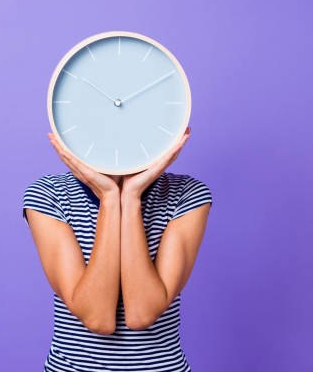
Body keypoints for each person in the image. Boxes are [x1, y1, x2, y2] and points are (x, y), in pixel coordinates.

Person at [22, 126, 212, 372]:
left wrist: (131, 197)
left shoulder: (187, 195)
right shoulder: (49, 195)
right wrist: (110, 200)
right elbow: (97, 318)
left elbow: (141, 315)